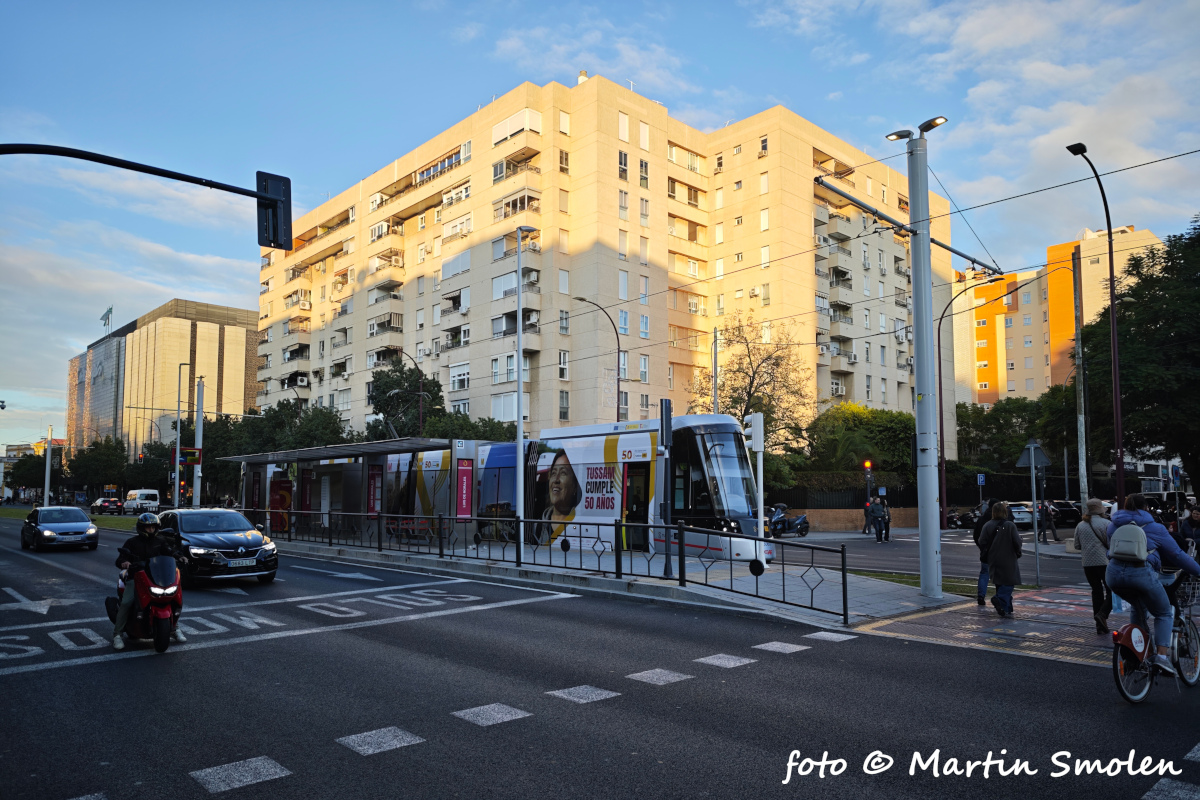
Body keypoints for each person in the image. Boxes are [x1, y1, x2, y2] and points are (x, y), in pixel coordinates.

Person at [1105, 493, 1200, 675]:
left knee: (1138, 607)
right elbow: (1177, 555)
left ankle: (1137, 651)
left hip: (1113, 575)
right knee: (1164, 612)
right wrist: (1198, 570)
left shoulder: (1113, 525)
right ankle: (1162, 658)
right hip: (1141, 573)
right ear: (1146, 508)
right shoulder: (1155, 527)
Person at [111, 513, 187, 650]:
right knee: (127, 602)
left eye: (153, 527)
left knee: (174, 598)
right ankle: (117, 634)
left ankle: (174, 628)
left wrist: (179, 557)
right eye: (148, 527)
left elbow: (169, 552)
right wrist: (125, 562)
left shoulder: (161, 541)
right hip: (137, 577)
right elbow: (120, 559)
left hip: (157, 578)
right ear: (141, 528)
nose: (151, 530)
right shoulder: (131, 542)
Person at [1074, 498, 1112, 634]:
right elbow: (1111, 543)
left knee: (1096, 592)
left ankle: (1099, 625)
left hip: (1088, 563)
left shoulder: (1081, 525)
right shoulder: (1106, 524)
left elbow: (1076, 545)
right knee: (1111, 590)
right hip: (1104, 562)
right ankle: (1102, 614)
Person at [978, 501, 1022, 618]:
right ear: (1004, 512)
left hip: (993, 559)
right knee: (1009, 582)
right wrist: (1018, 551)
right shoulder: (1010, 525)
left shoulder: (987, 525)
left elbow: (981, 541)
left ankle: (1005, 608)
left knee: (999, 583)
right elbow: (1017, 542)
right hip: (1008, 558)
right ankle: (999, 599)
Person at [535, 451, 582, 544]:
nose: (556, 480)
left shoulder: (580, 521)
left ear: (575, 485)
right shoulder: (536, 527)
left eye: (563, 473)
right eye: (553, 473)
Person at [972, 499, 995, 606]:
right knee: (1000, 574)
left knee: (984, 573)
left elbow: (976, 535)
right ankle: (1001, 598)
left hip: (985, 551)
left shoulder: (982, 519)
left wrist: (982, 547)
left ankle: (981, 596)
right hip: (999, 552)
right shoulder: (1000, 520)